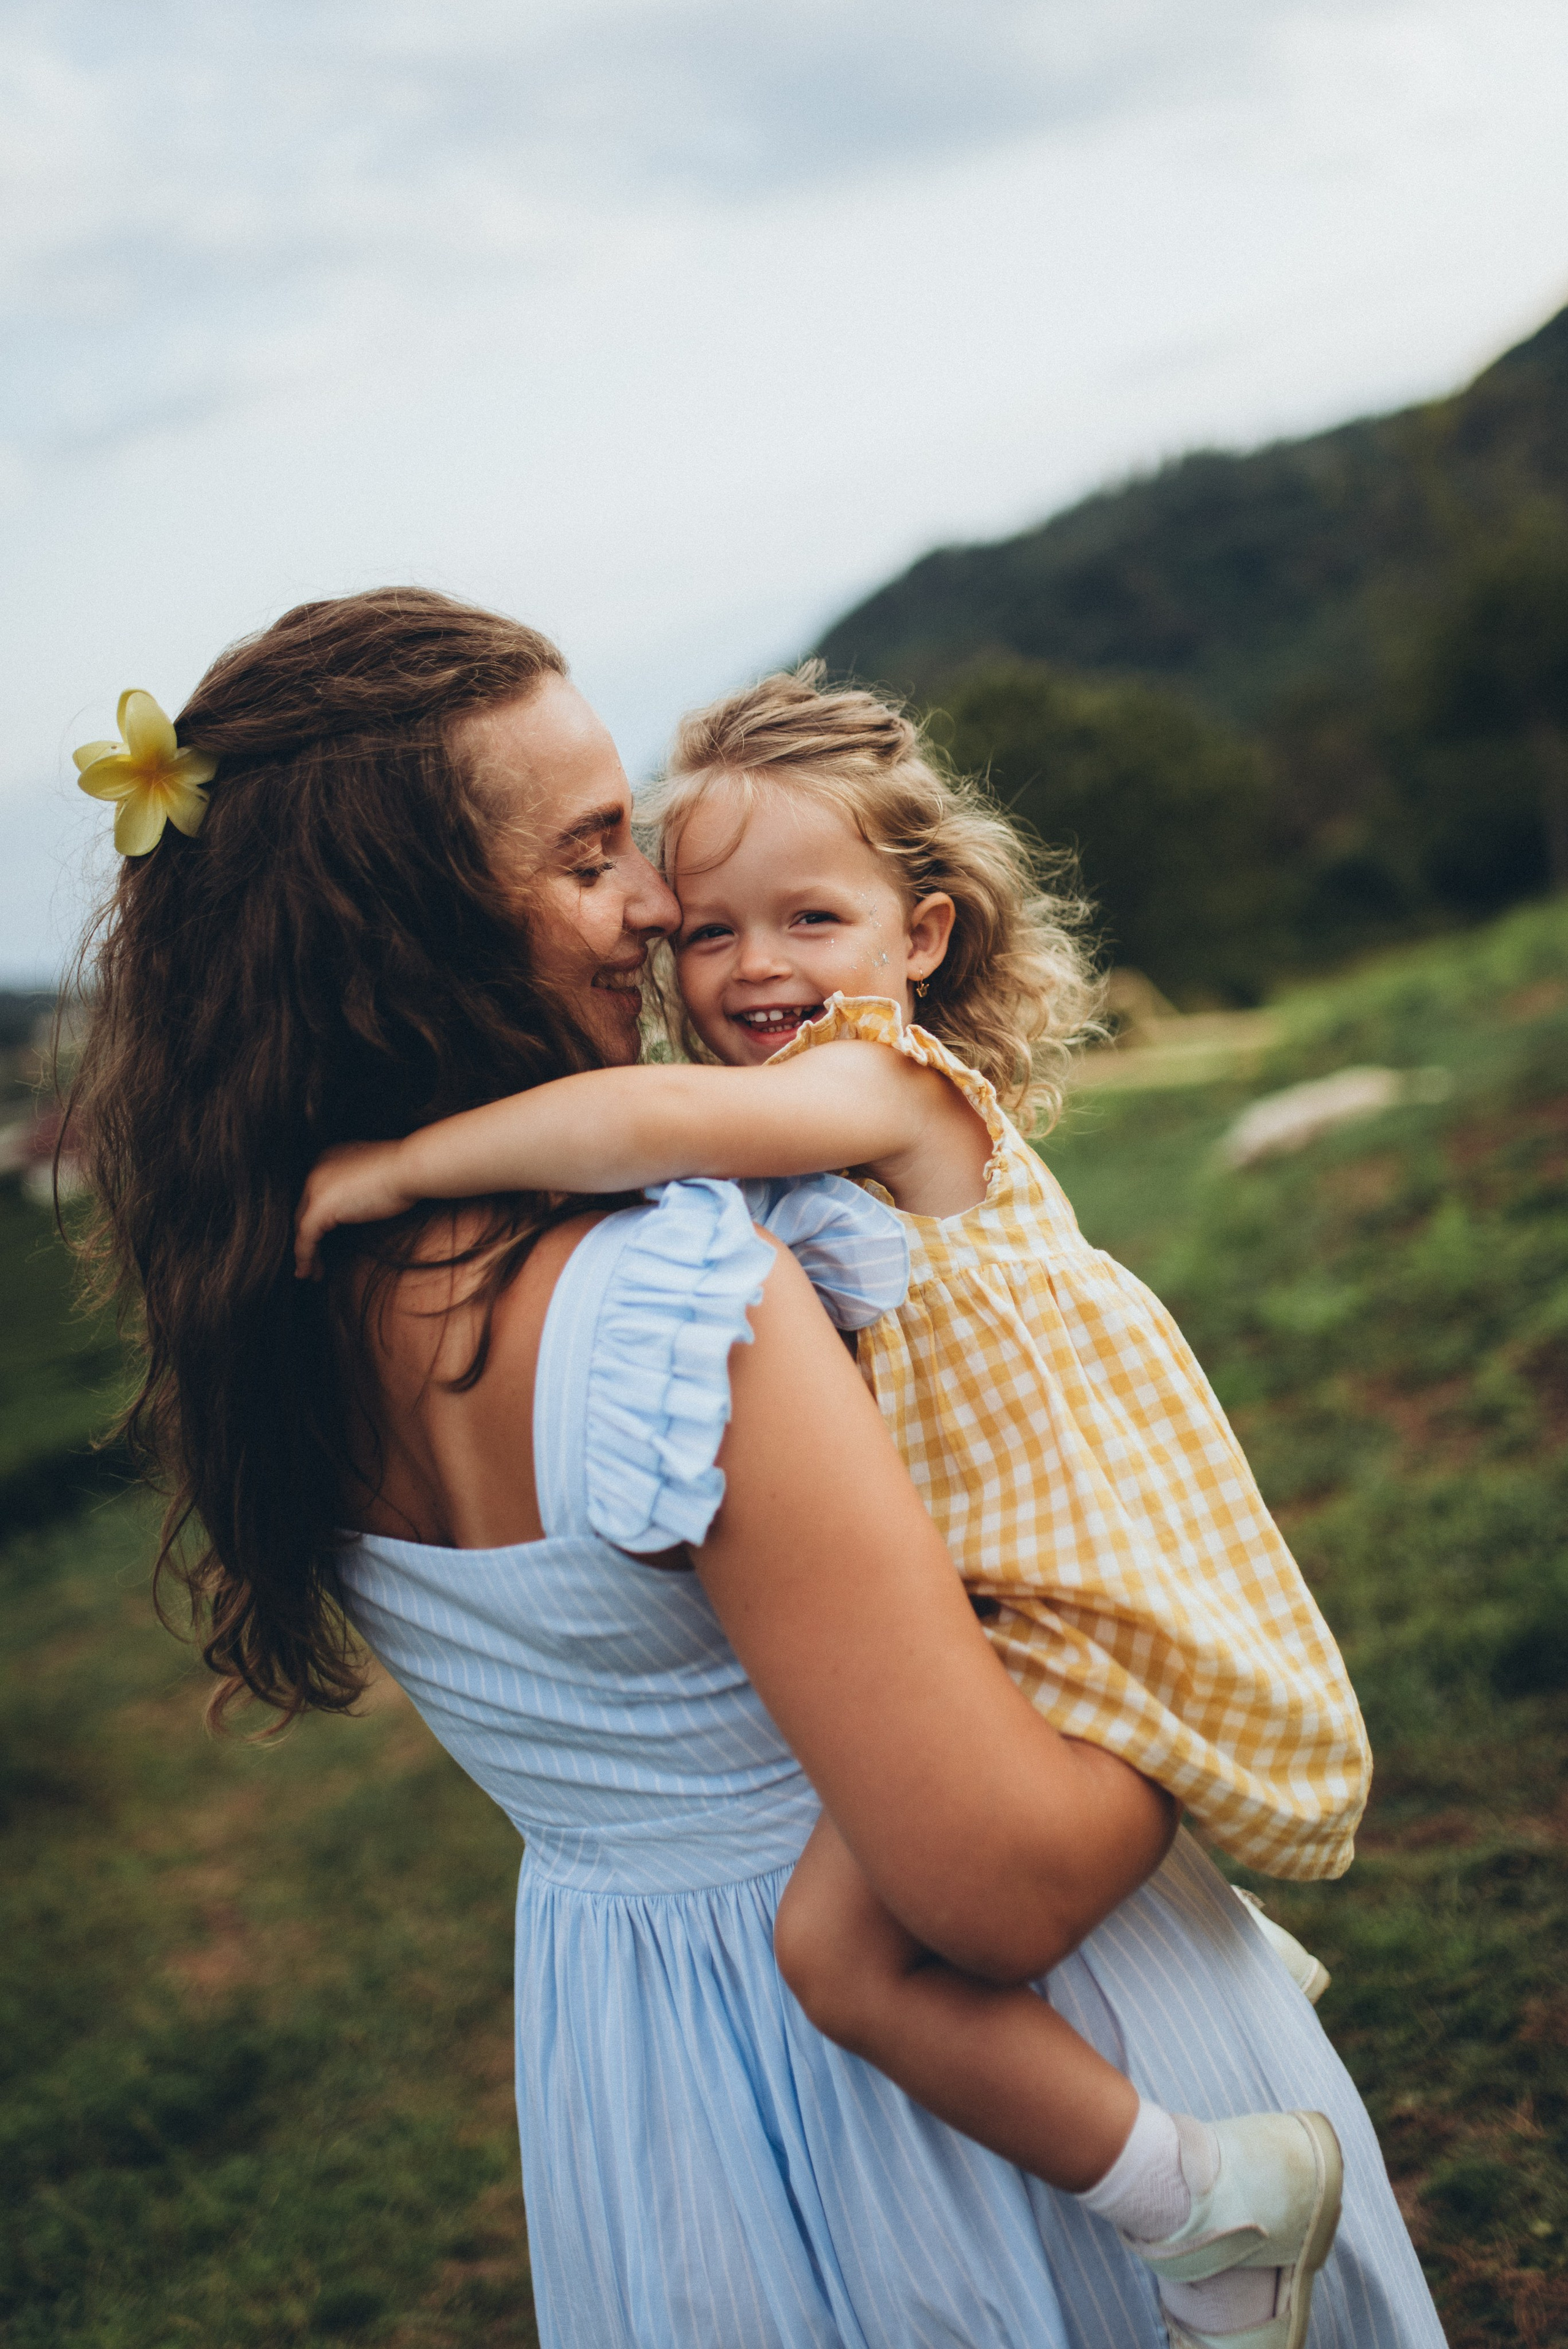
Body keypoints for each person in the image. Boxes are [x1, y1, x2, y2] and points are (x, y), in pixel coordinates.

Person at [70, 590, 1444, 2349]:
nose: (653, 909)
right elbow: (999, 1885)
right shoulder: (674, 1298)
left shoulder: (274, 1293)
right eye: (590, 859)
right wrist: (1188, 1713)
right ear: (405, 925)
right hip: (978, 2108)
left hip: (652, 2098)